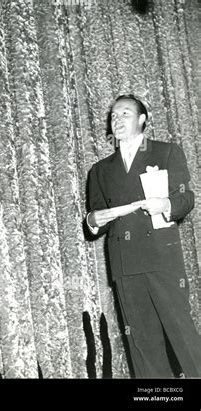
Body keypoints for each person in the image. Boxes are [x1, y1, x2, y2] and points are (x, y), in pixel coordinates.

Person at [86, 94, 201, 378]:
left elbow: (186, 198)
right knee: (142, 345)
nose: (117, 119)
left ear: (142, 120)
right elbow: (96, 215)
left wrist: (167, 205)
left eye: (125, 113)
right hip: (125, 265)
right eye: (113, 115)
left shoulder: (166, 152)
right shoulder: (100, 170)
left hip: (162, 258)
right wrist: (92, 220)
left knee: (183, 336)